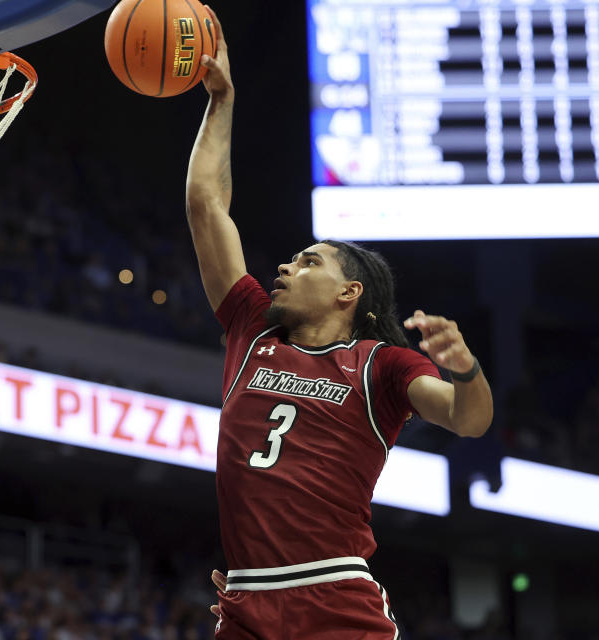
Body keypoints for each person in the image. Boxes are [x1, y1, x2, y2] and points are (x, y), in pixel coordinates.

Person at [187, 8, 494, 638]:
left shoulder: (383, 364)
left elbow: (468, 418)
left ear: (348, 293)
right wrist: (222, 101)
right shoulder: (253, 327)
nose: (285, 265)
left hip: (333, 595)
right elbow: (205, 203)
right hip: (245, 600)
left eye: (308, 261)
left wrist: (463, 368)